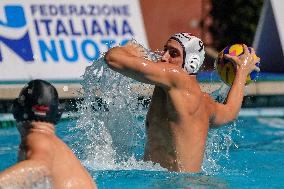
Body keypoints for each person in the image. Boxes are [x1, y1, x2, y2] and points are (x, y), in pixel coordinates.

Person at [105, 33, 260, 172]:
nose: (164, 57)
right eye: (165, 50)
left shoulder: (176, 75)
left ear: (191, 62)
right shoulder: (204, 102)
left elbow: (112, 59)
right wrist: (241, 72)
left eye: (173, 54)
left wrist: (127, 50)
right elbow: (230, 112)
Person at [0, 80, 97, 189]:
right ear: (58, 114)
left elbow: (40, 167)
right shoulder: (56, 147)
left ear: (16, 110)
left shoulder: (38, 138)